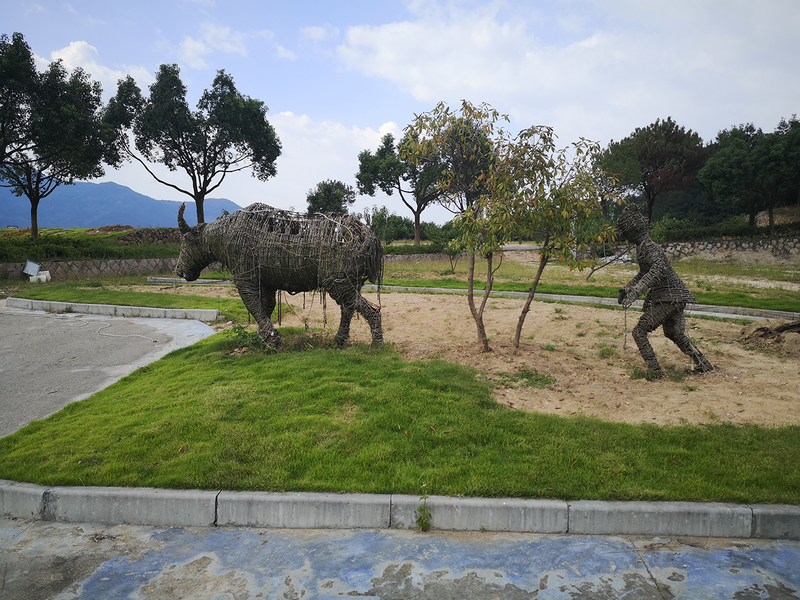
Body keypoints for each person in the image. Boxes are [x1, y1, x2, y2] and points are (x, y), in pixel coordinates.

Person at [616, 204, 714, 377]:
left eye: (627, 232)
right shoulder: (642, 248)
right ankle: (704, 365)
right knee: (674, 333)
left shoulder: (650, 247)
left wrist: (636, 291)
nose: (626, 236)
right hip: (671, 297)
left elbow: (658, 269)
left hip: (669, 298)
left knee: (639, 332)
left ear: (633, 230)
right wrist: (628, 288)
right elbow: (644, 272)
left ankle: (655, 370)